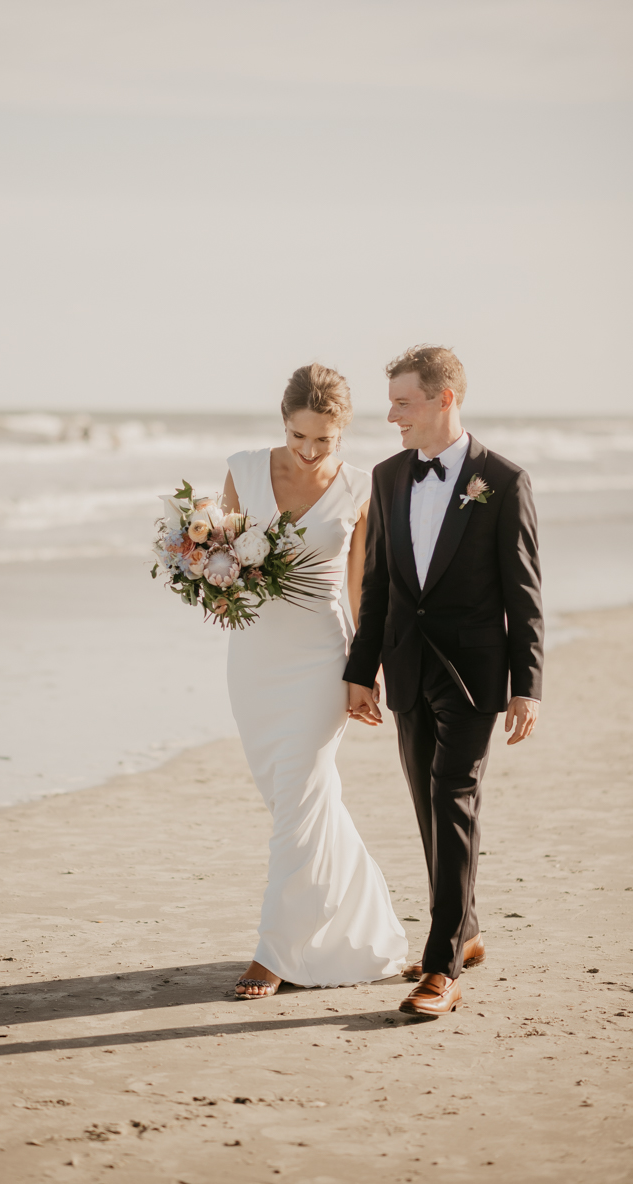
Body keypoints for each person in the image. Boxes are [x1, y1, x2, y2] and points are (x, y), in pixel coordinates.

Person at [345, 345, 544, 1017]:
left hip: (473, 672)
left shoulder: (502, 481)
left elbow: (524, 590)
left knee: (454, 800)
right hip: (404, 666)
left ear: (443, 400)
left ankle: (441, 965)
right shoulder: (387, 475)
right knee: (428, 807)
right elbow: (377, 587)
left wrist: (528, 684)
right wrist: (359, 672)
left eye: (403, 401)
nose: (392, 415)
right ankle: (468, 928)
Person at [222, 363, 408, 999]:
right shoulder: (244, 470)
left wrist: (365, 672)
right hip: (253, 660)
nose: (308, 452)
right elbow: (219, 561)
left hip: (321, 660)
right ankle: (370, 929)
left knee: (301, 799)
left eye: (322, 441)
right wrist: (214, 586)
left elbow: (362, 587)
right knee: (298, 803)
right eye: (299, 436)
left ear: (342, 433)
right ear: (285, 424)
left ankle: (273, 953)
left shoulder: (360, 487)